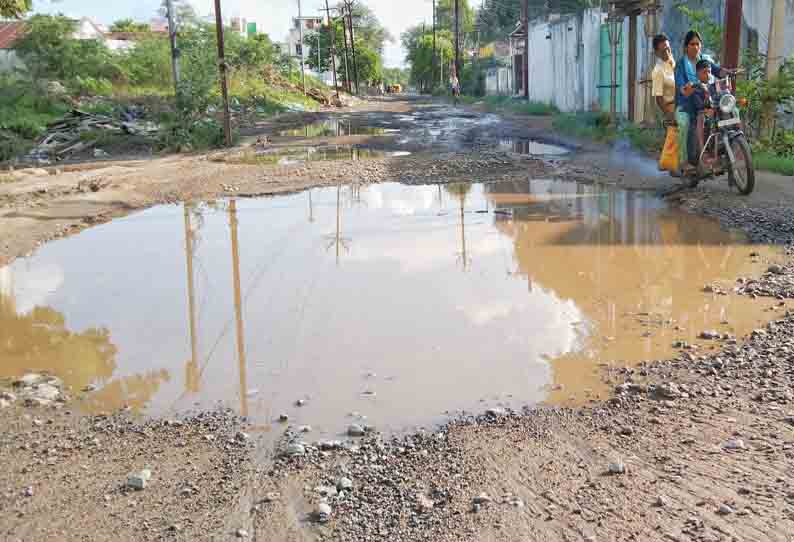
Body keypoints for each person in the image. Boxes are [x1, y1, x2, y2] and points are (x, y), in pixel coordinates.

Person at [674, 30, 728, 176]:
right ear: (686, 47)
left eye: (698, 44)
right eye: (692, 44)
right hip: (686, 104)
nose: (696, 47)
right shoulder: (681, 65)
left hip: (708, 101)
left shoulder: (706, 59)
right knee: (684, 124)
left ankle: (730, 149)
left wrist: (728, 72)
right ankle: (684, 161)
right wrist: (686, 87)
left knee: (729, 112)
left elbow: (718, 71)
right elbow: (680, 86)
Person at [651, 34, 676, 120]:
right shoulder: (658, 71)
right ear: (657, 53)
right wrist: (669, 114)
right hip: (671, 108)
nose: (667, 53)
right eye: (663, 51)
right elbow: (658, 98)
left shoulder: (672, 61)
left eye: (668, 49)